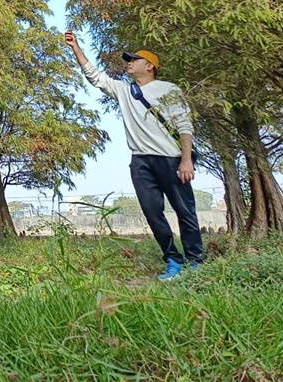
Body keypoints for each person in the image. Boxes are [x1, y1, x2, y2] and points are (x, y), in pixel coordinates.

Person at [64, 30, 204, 280]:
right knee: (152, 212)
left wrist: (185, 160)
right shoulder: (124, 91)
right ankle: (173, 260)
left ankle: (196, 262)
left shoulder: (169, 89)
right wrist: (76, 48)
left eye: (135, 59)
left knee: (185, 211)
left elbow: (184, 125)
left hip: (171, 160)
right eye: (129, 59)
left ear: (149, 66)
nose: (129, 62)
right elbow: (94, 77)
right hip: (140, 161)